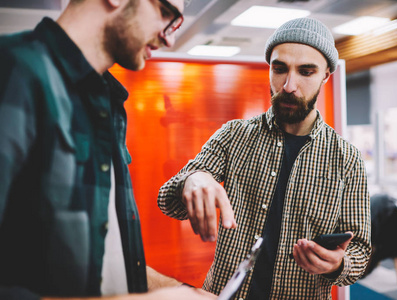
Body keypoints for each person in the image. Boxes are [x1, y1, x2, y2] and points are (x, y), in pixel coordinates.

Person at [0, 0, 215, 299]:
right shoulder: (14, 70)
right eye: (166, 13)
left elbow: (106, 261)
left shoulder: (107, 102)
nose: (170, 38)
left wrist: (181, 292)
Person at [158, 17, 371, 299]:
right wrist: (193, 179)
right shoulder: (234, 135)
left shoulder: (348, 159)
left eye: (306, 72)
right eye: (280, 69)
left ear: (326, 76)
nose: (289, 85)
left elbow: (361, 252)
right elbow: (168, 202)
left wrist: (339, 264)